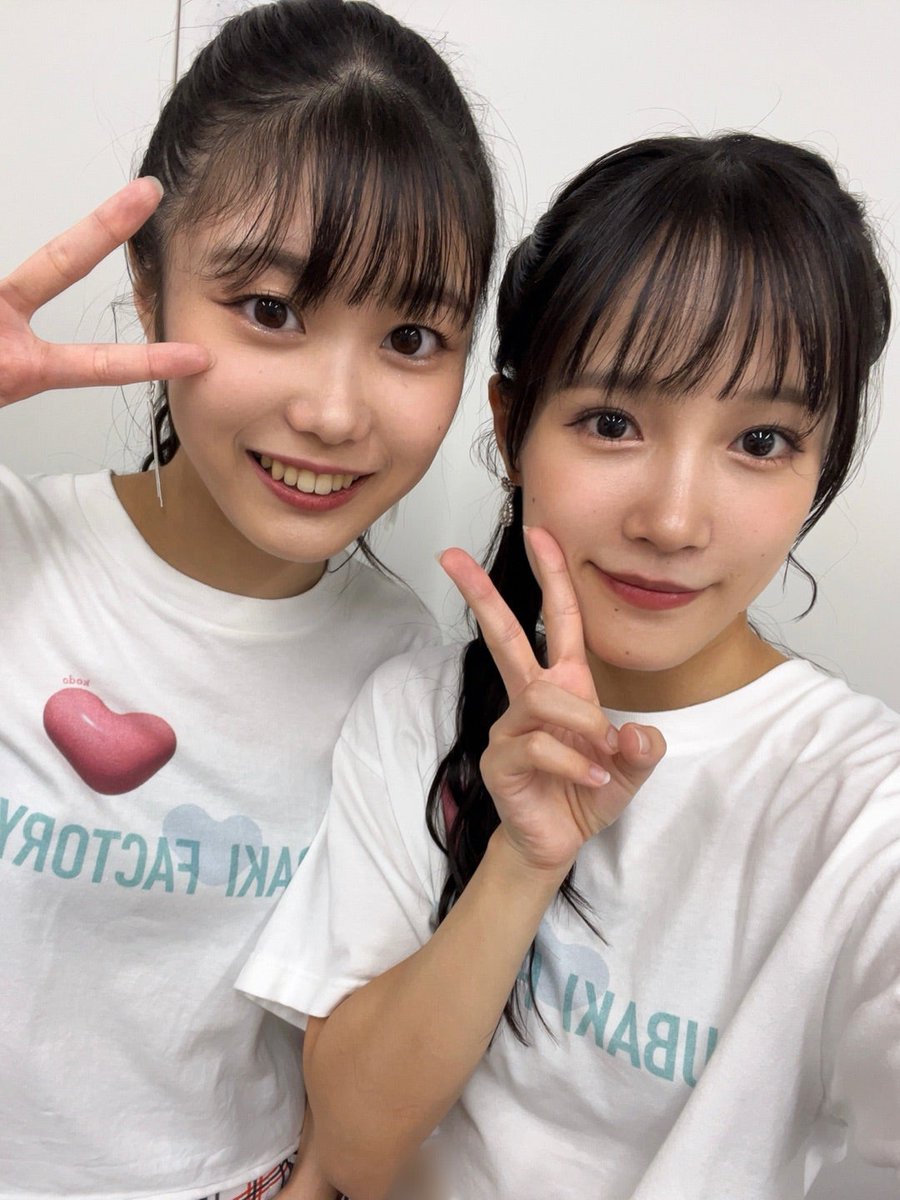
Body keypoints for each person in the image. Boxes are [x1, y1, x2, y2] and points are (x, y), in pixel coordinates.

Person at [238, 132, 900, 1200]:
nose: (674, 521)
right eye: (612, 422)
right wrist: (522, 859)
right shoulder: (420, 709)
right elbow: (354, 1147)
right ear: (511, 427)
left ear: (824, 462)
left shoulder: (864, 810)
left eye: (761, 442)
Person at [0, 1, 496, 1197]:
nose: (333, 412)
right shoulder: (16, 545)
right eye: (271, 311)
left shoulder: (409, 669)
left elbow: (351, 1051)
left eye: (412, 336)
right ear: (147, 283)